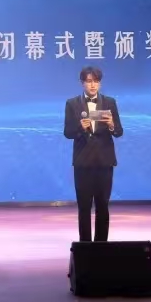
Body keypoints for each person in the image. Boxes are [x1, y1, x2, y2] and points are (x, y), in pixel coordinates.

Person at [63, 66, 124, 242]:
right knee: (84, 207)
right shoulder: (72, 104)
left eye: (96, 81)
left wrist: (112, 125)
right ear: (82, 83)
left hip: (104, 162)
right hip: (83, 162)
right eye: (89, 81)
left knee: (103, 206)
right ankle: (85, 247)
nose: (93, 85)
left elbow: (119, 132)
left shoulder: (110, 102)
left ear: (100, 83)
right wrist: (80, 128)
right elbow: (67, 133)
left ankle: (101, 246)